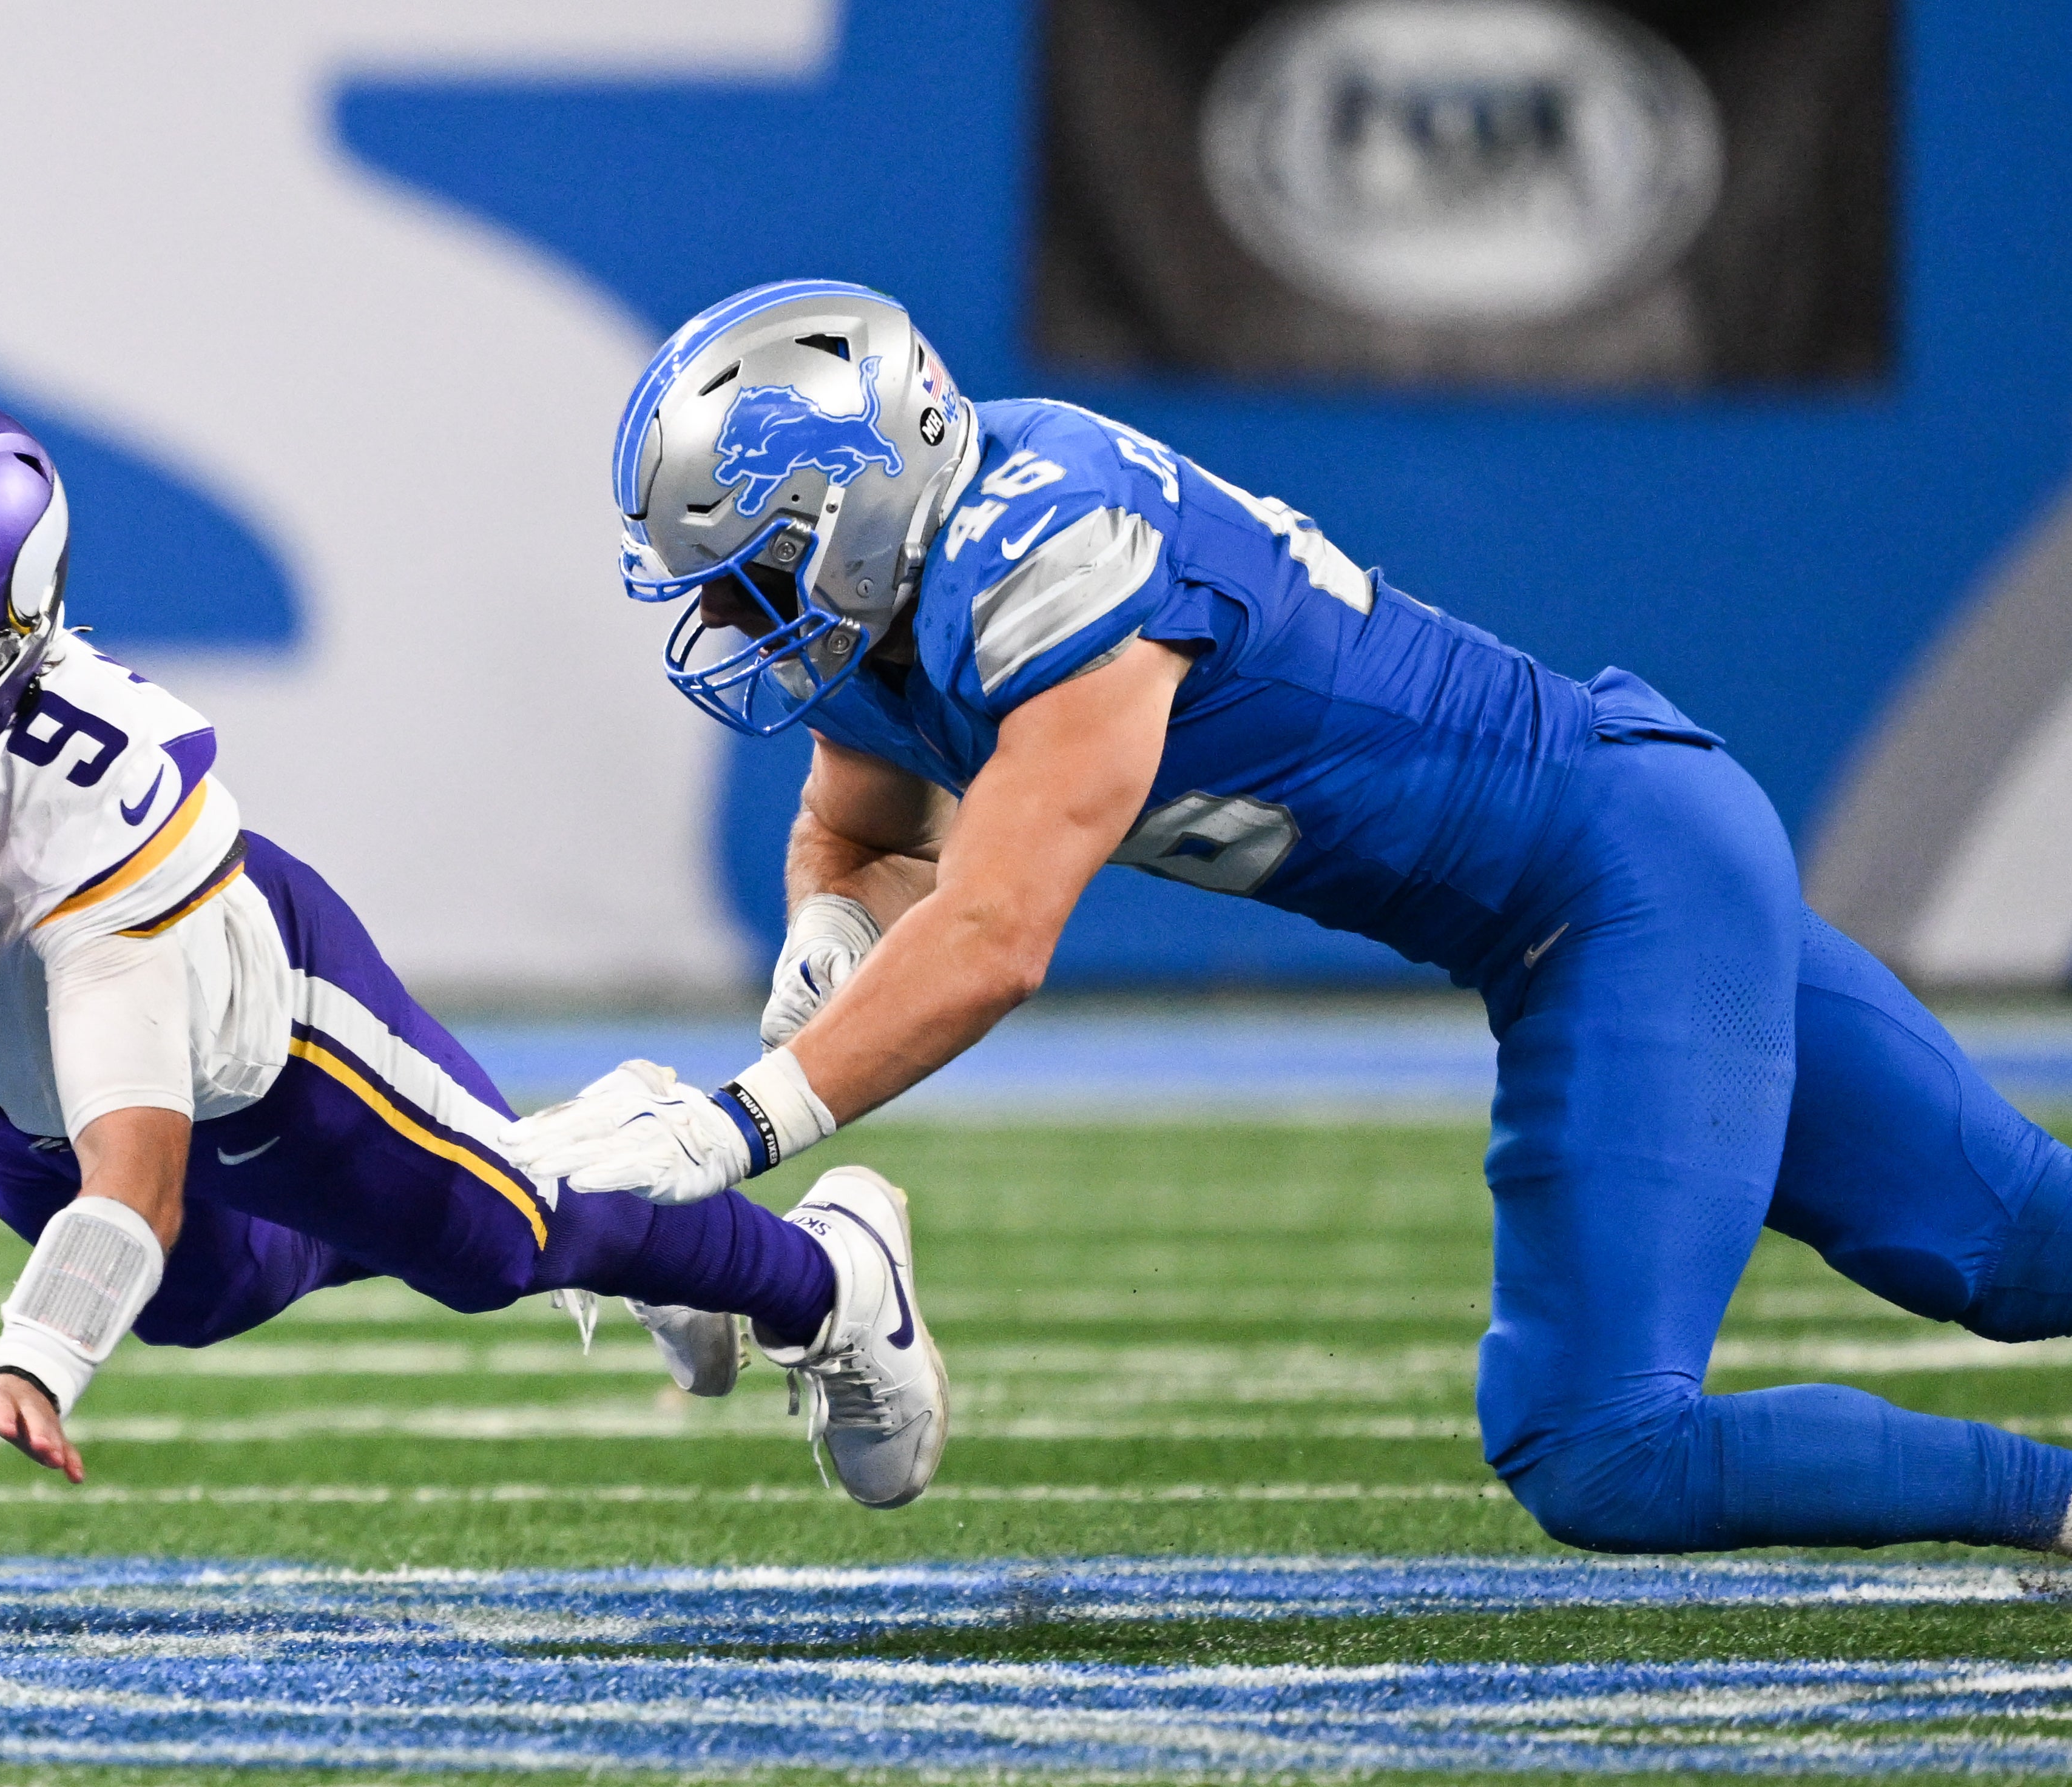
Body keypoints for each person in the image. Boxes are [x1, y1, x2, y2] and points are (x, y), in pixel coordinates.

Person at [504, 277, 2072, 1556]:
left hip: (1616, 882)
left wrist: (737, 1126)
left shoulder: (1051, 553)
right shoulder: (888, 607)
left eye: (749, 569)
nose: (725, 614)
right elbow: (864, 838)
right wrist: (829, 946)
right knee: (2016, 1244)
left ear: (857, 506)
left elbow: (994, 938)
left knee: (1600, 1444)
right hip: (1591, 890)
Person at [0, 391, 947, 1505]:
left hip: (261, 1039)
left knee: (493, 1242)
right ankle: (581, 1142)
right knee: (196, 1300)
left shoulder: (87, 796)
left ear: (3, 668)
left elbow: (133, 1179)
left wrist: (33, 1359)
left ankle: (828, 1277)